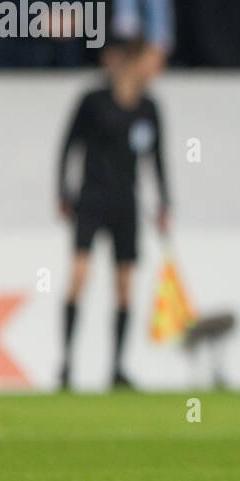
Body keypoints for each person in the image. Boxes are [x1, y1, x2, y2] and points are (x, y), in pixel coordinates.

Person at [58, 38, 169, 390]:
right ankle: (66, 363)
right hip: (91, 200)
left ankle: (117, 367)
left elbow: (158, 159)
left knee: (124, 286)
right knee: (79, 276)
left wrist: (165, 202)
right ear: (135, 61)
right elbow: (68, 145)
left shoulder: (149, 108)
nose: (157, 70)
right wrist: (62, 192)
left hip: (126, 203)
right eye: (152, 61)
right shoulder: (93, 101)